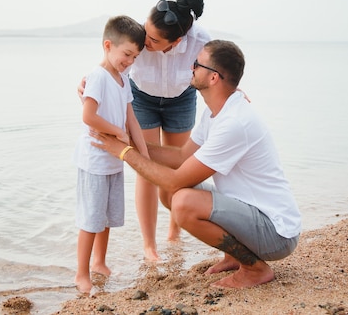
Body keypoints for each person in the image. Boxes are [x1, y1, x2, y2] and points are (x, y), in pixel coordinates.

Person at [90, 40, 302, 288]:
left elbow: (176, 178)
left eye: (196, 63)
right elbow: (181, 156)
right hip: (255, 215)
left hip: (276, 233)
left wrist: (124, 152)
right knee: (171, 194)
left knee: (183, 202)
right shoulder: (217, 111)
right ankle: (234, 256)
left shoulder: (234, 122)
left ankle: (254, 269)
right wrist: (127, 137)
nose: (191, 67)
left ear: (213, 78)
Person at [80, 0, 211, 261]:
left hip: (181, 99)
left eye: (152, 39)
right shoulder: (139, 36)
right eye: (145, 30)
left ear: (174, 43)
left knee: (178, 164)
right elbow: (113, 61)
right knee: (146, 166)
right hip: (141, 98)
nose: (144, 40)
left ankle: (175, 230)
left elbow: (216, 73)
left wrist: (235, 95)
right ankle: (149, 245)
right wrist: (88, 81)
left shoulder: (199, 42)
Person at [72, 15, 149, 294]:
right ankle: (82, 274)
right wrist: (117, 133)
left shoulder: (123, 80)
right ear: (108, 45)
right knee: (91, 219)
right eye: (126, 54)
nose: (130, 61)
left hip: (114, 161)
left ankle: (99, 263)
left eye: (135, 56)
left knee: (106, 217)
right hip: (94, 159)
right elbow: (88, 115)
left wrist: (144, 156)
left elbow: (132, 120)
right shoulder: (97, 76)